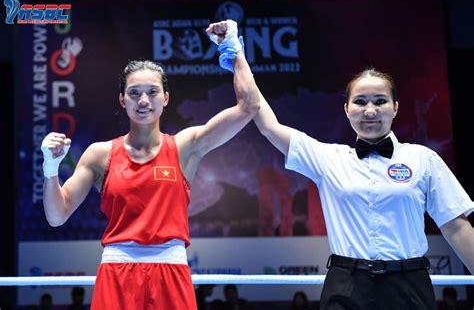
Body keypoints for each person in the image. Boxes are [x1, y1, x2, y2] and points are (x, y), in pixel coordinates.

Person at [40, 19, 259, 310]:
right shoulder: (99, 155)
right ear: (122, 100)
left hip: (171, 273)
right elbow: (57, 216)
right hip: (116, 275)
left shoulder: (185, 146)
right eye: (134, 93)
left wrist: (234, 48)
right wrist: (50, 170)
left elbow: (249, 107)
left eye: (152, 92)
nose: (143, 100)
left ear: (166, 98)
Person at [251, 67, 474, 309]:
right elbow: (268, 126)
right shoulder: (327, 158)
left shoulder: (423, 159)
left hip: (409, 285)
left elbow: (456, 226)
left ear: (395, 107)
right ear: (347, 109)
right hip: (346, 285)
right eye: (360, 101)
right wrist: (236, 54)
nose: (370, 110)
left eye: (380, 101)